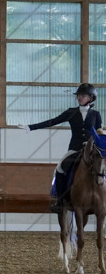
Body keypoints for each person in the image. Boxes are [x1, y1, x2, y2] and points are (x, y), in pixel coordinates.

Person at [17, 83, 102, 213]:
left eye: (83, 95)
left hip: (91, 151)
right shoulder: (70, 112)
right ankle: (60, 200)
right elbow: (52, 121)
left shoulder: (96, 114)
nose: (80, 98)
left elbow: (99, 133)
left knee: (102, 167)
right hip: (75, 149)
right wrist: (31, 127)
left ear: (91, 98)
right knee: (60, 168)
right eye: (79, 95)